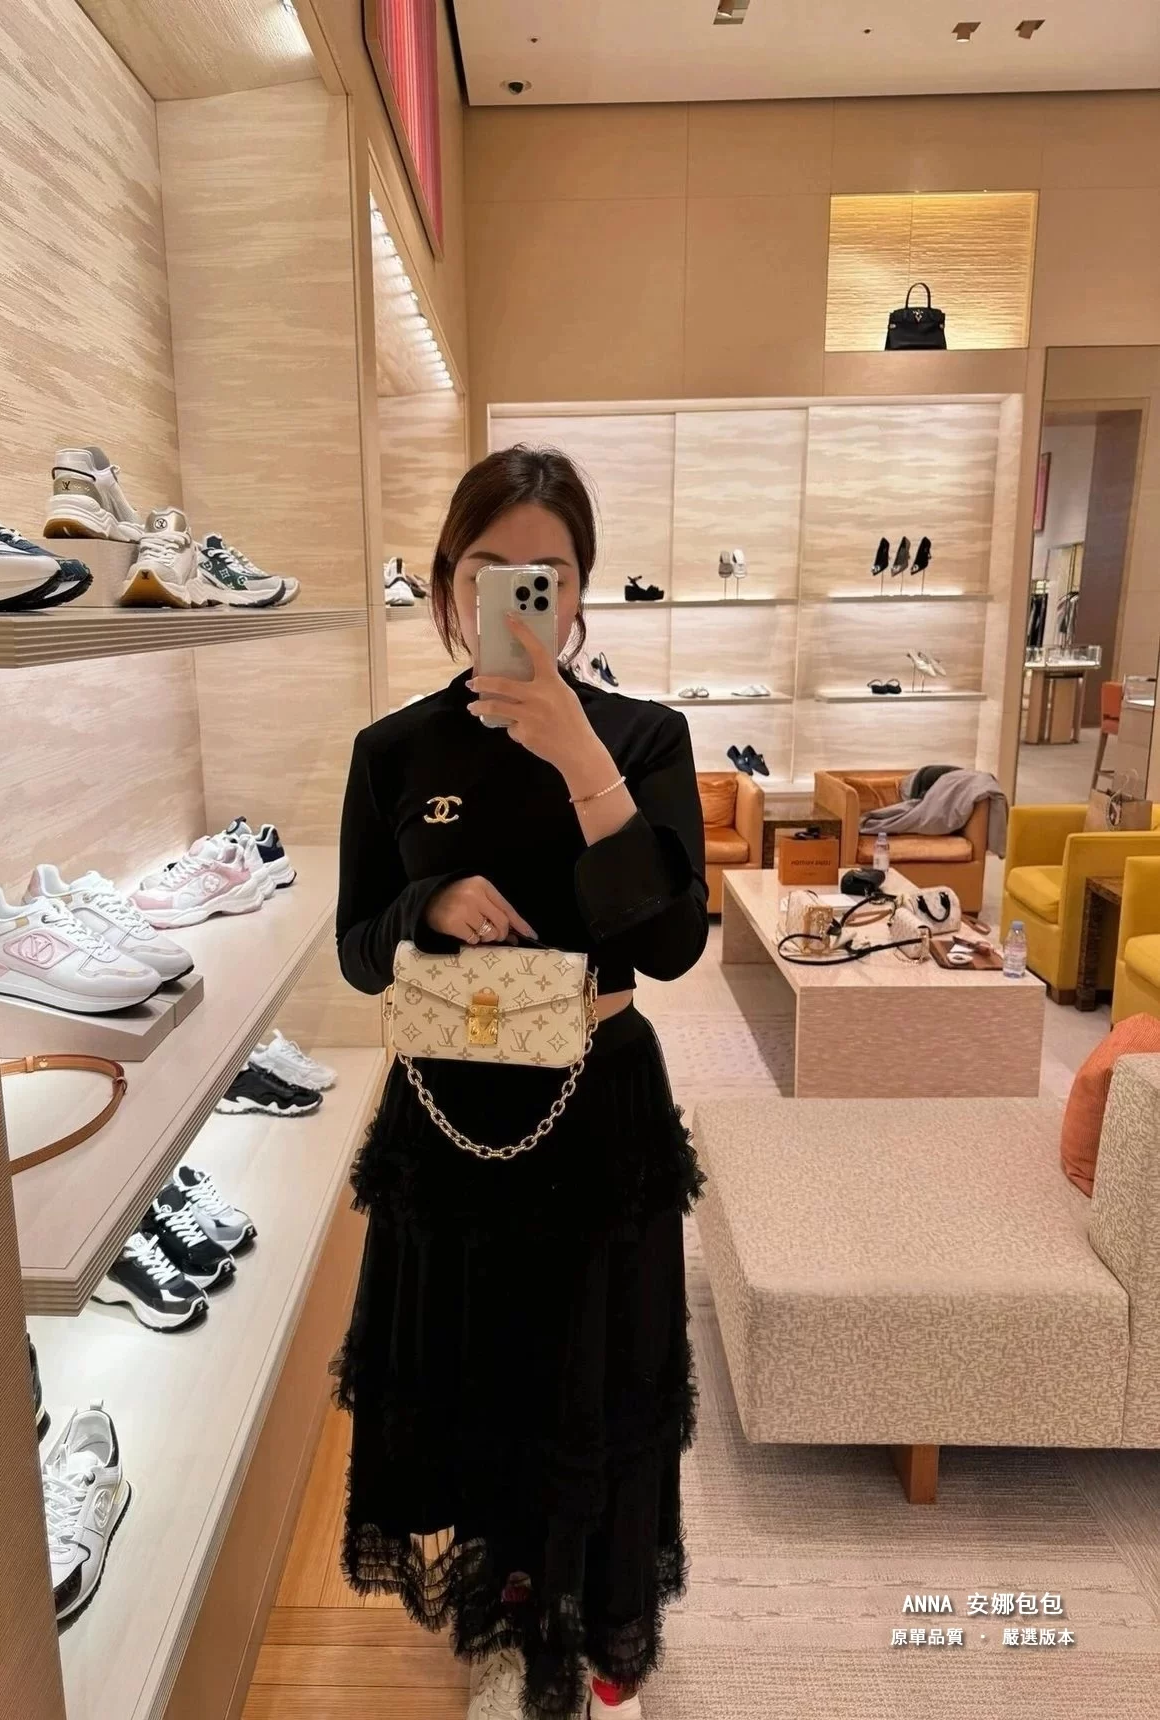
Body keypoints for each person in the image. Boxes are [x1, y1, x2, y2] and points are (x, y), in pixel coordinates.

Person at [333, 445, 708, 1720]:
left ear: (581, 589)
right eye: (488, 571)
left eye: (543, 575)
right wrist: (426, 901)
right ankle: (506, 1618)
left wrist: (582, 761)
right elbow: (357, 947)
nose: (514, 597)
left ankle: (600, 1638)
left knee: (601, 1375)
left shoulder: (646, 737)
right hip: (452, 1111)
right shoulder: (394, 750)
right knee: (482, 1378)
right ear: (449, 585)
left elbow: (671, 944)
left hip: (596, 1105)